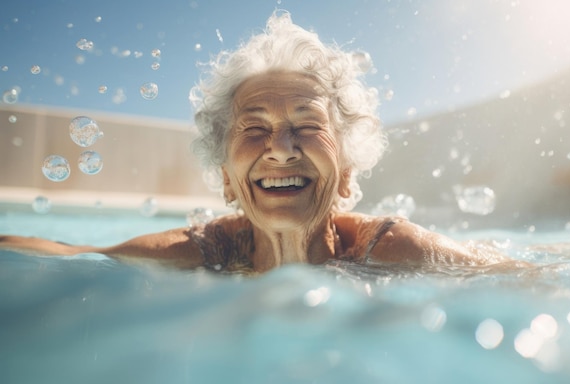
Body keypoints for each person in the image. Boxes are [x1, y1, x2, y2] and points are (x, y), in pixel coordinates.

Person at [0, 12, 508, 274]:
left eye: (307, 124)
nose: (281, 148)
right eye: (254, 128)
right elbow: (70, 252)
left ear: (348, 169)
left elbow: (526, 275)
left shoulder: (389, 249)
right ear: (225, 177)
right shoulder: (199, 253)